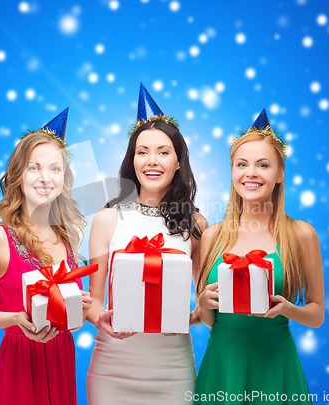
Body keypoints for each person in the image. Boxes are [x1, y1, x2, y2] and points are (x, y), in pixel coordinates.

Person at [0, 108, 92, 405]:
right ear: (17, 175)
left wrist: (78, 310)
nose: (45, 178)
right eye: (34, 168)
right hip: (17, 366)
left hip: (61, 363)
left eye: (55, 169)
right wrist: (16, 320)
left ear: (64, 178)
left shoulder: (70, 237)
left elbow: (70, 318)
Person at [86, 84, 207, 405]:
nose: (151, 161)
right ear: (132, 160)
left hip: (173, 367)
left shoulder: (195, 223)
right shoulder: (106, 219)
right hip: (113, 366)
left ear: (179, 162)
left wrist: (190, 318)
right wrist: (101, 319)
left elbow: (206, 304)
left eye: (163, 152)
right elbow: (94, 300)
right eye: (143, 152)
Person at [195, 109, 325, 404]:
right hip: (224, 365)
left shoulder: (301, 234)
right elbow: (209, 321)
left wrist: (286, 309)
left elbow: (317, 315)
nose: (250, 173)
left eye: (263, 165)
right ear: (232, 172)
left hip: (275, 364)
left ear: (279, 174)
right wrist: (202, 303)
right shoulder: (213, 236)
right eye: (242, 164)